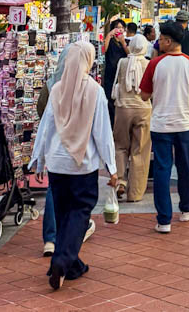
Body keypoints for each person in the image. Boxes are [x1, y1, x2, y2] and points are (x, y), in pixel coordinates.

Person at [30, 43, 118, 290]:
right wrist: (112, 166)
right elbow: (102, 131)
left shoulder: (57, 89)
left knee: (64, 212)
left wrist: (39, 159)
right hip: (83, 164)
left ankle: (73, 264)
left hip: (57, 165)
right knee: (80, 213)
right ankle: (61, 260)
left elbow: (45, 127)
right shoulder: (95, 91)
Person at [139, 21, 189, 233]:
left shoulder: (155, 64)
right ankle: (186, 208)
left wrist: (159, 96)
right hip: (183, 123)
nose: (159, 42)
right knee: (184, 166)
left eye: (161, 38)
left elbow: (144, 95)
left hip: (161, 123)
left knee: (162, 169)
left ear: (167, 40)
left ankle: (164, 219)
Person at [112, 34, 152, 201]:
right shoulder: (148, 64)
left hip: (122, 108)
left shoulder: (122, 62)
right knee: (140, 150)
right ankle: (135, 192)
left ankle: (120, 181)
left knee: (120, 146)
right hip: (143, 109)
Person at [102, 19, 128, 124]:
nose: (120, 30)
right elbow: (104, 50)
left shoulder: (126, 42)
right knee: (110, 99)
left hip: (121, 76)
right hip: (110, 75)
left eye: (122, 28)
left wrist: (123, 42)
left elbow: (129, 53)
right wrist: (109, 36)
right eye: (117, 27)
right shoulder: (110, 41)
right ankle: (111, 122)